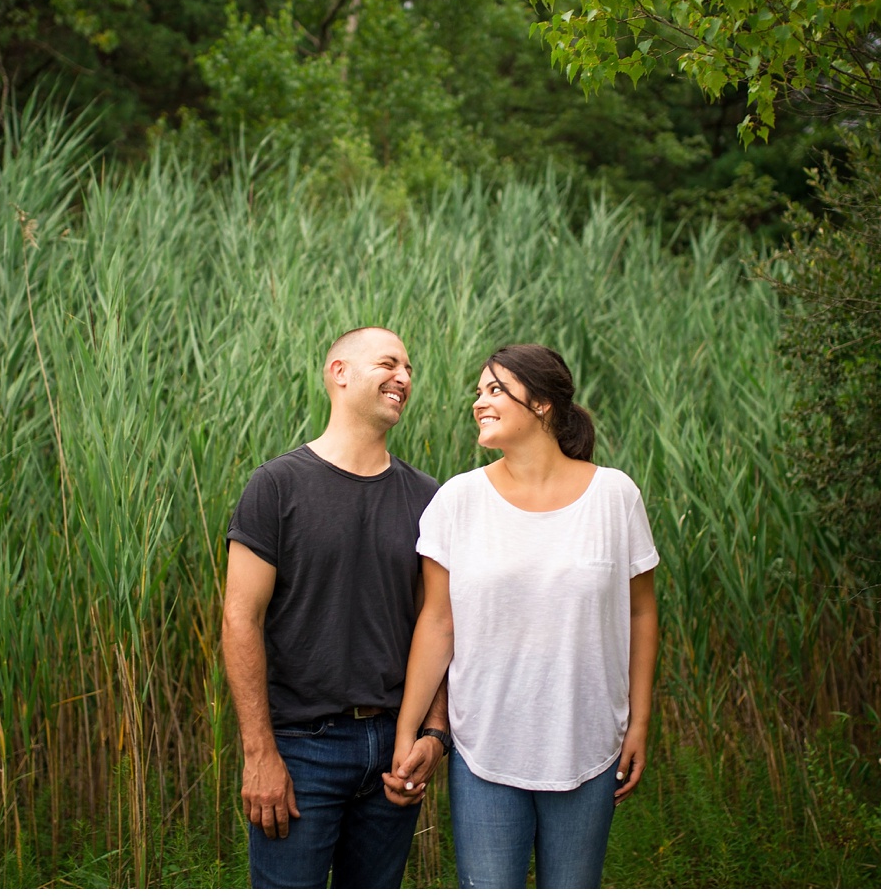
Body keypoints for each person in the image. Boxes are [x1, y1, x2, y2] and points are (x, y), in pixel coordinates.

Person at [391, 343, 660, 889]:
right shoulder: (457, 501)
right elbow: (438, 624)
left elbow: (642, 612)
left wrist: (640, 722)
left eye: (495, 390)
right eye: (478, 392)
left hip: (587, 745)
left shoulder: (615, 495)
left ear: (540, 404)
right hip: (483, 748)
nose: (478, 403)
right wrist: (406, 730)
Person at [222, 326, 451, 888]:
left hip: (394, 750)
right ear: (339, 372)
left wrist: (434, 732)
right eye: (389, 363)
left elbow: (439, 622)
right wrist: (260, 754)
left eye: (410, 369)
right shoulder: (276, 486)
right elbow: (239, 620)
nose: (404, 377)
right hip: (300, 751)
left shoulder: (429, 497)